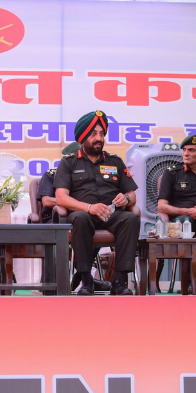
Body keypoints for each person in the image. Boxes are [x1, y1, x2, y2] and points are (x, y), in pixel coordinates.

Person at [53, 110, 138, 295]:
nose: (99, 138)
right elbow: (61, 197)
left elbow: (132, 194)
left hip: (112, 213)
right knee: (80, 218)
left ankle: (119, 281)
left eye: (101, 134)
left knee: (130, 219)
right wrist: (89, 208)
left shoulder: (115, 161)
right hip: (84, 213)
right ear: (83, 137)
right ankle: (86, 280)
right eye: (93, 134)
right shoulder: (69, 163)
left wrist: (126, 198)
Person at [157, 133, 196, 235]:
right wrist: (187, 211)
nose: (185, 154)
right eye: (184, 150)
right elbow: (161, 207)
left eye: (191, 150)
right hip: (183, 219)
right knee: (185, 222)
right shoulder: (172, 173)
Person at [35, 143, 78, 224]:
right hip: (55, 219)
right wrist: (78, 205)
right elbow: (47, 201)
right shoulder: (50, 175)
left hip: (82, 217)